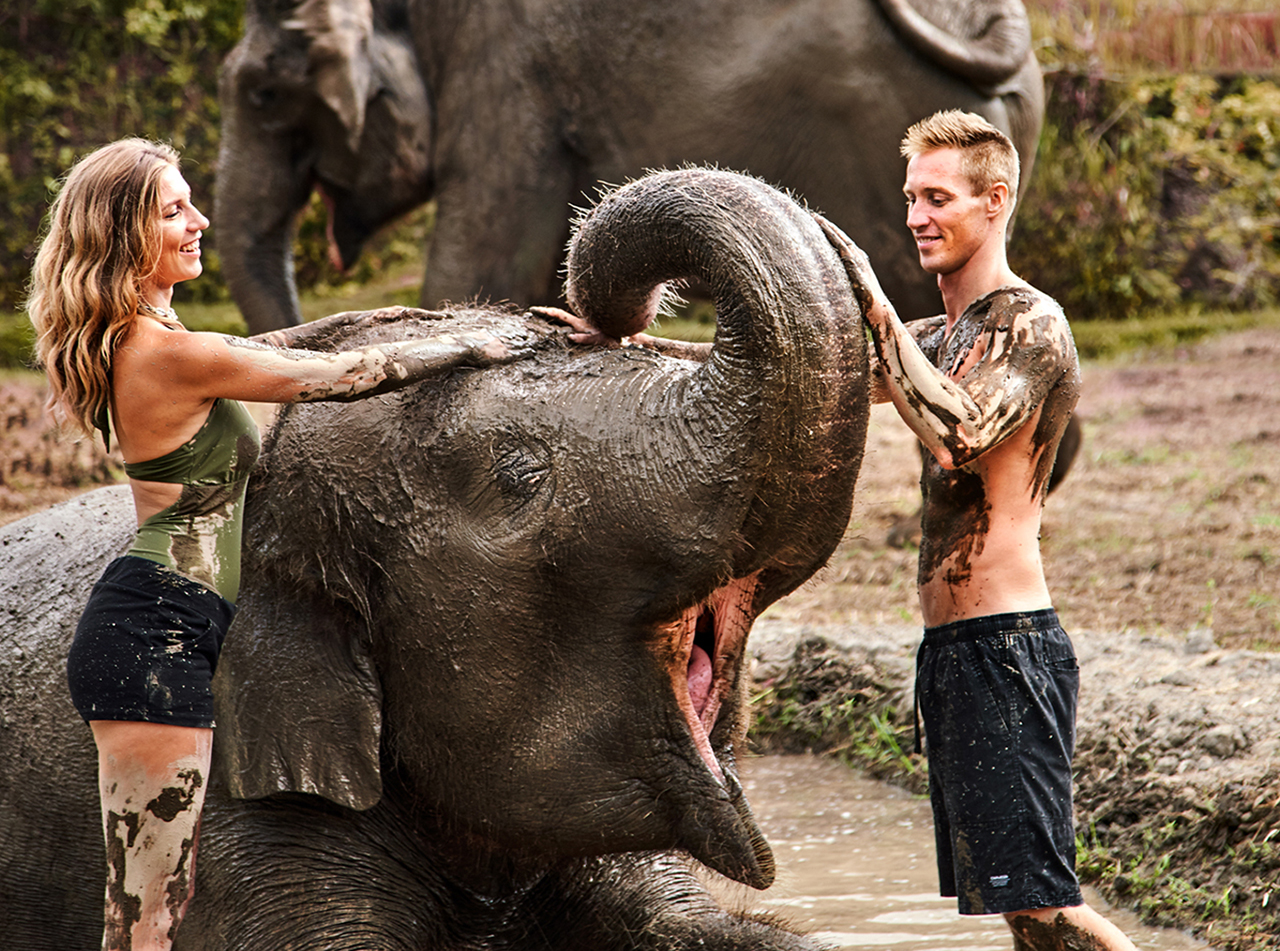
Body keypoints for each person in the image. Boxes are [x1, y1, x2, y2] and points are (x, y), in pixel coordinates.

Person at [26, 137, 532, 951]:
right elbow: (343, 375)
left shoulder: (158, 337)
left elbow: (277, 349)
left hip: (165, 625)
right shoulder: (167, 351)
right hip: (154, 635)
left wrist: (421, 322)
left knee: (152, 901)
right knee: (148, 914)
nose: (200, 220)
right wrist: (476, 346)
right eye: (174, 210)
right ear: (125, 233)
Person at [812, 110, 1137, 950]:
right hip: (955, 654)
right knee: (1018, 909)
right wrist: (632, 347)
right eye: (911, 197)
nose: (917, 216)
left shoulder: (1030, 325)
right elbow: (798, 373)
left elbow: (959, 432)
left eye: (938, 198)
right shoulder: (940, 336)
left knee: (1047, 907)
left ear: (994, 201)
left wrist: (872, 302)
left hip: (1007, 645)